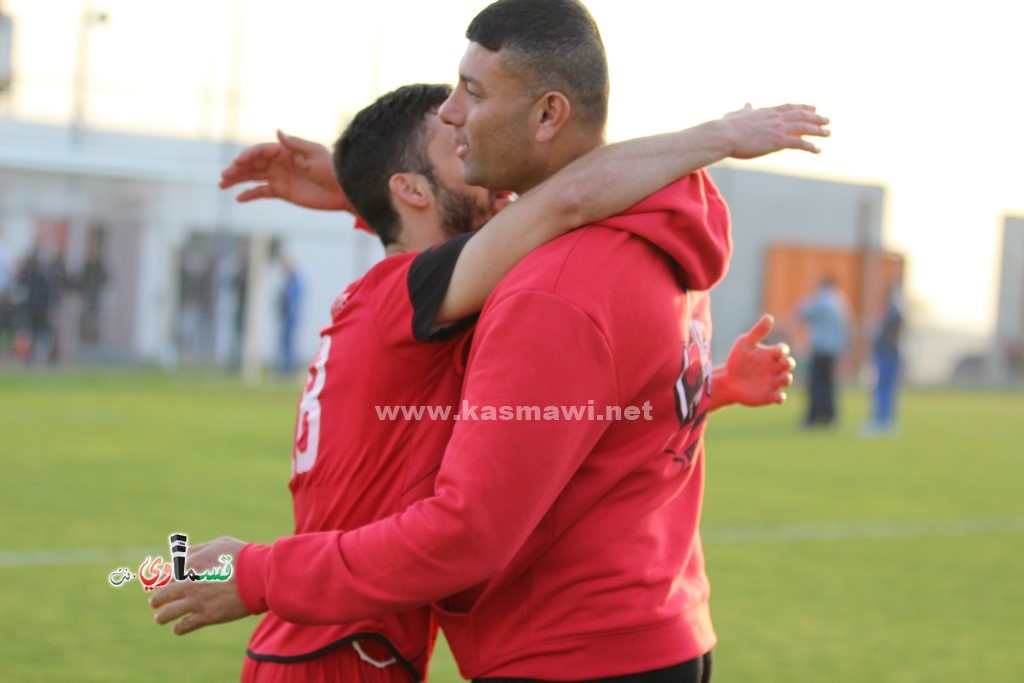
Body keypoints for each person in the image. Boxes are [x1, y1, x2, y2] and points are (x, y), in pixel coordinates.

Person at [152, 2, 829, 681]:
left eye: (470, 94)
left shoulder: (547, 285)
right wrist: (362, 186)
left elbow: (480, 516)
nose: (453, 114)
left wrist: (718, 135)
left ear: (545, 115)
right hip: (644, 632)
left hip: (547, 652)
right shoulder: (656, 246)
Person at [798, 275, 850, 428]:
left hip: (820, 348)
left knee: (815, 384)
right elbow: (845, 328)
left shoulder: (821, 300)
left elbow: (804, 313)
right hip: (833, 350)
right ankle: (830, 417)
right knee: (829, 385)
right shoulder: (841, 302)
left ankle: (814, 417)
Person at [863, 284, 904, 435]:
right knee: (882, 388)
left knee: (884, 389)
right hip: (885, 353)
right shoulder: (890, 310)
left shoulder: (894, 311)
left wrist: (885, 343)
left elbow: (895, 332)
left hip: (888, 354)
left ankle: (884, 421)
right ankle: (882, 419)